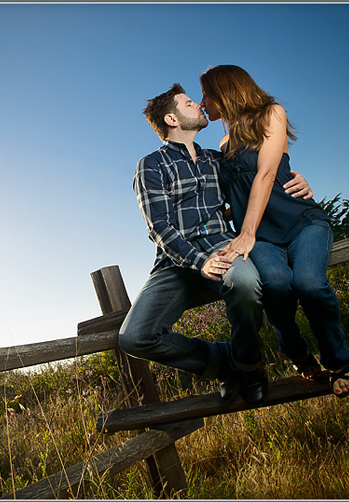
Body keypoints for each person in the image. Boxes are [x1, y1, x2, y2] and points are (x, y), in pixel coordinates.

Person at [118, 83, 313, 406]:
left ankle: (249, 366)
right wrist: (199, 262)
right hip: (175, 261)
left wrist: (295, 179)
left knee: (247, 282)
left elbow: (260, 181)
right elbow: (159, 228)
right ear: (172, 119)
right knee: (134, 337)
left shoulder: (218, 159)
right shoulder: (150, 165)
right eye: (189, 102)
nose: (199, 105)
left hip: (222, 245)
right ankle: (224, 362)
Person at [198, 64, 349, 398]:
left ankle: (339, 362)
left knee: (310, 284)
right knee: (276, 286)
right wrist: (230, 221)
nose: (202, 103)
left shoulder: (271, 113)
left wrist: (247, 231)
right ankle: (297, 352)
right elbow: (238, 196)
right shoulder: (223, 145)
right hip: (261, 237)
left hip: (300, 223)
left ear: (224, 92)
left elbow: (268, 174)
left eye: (206, 95)